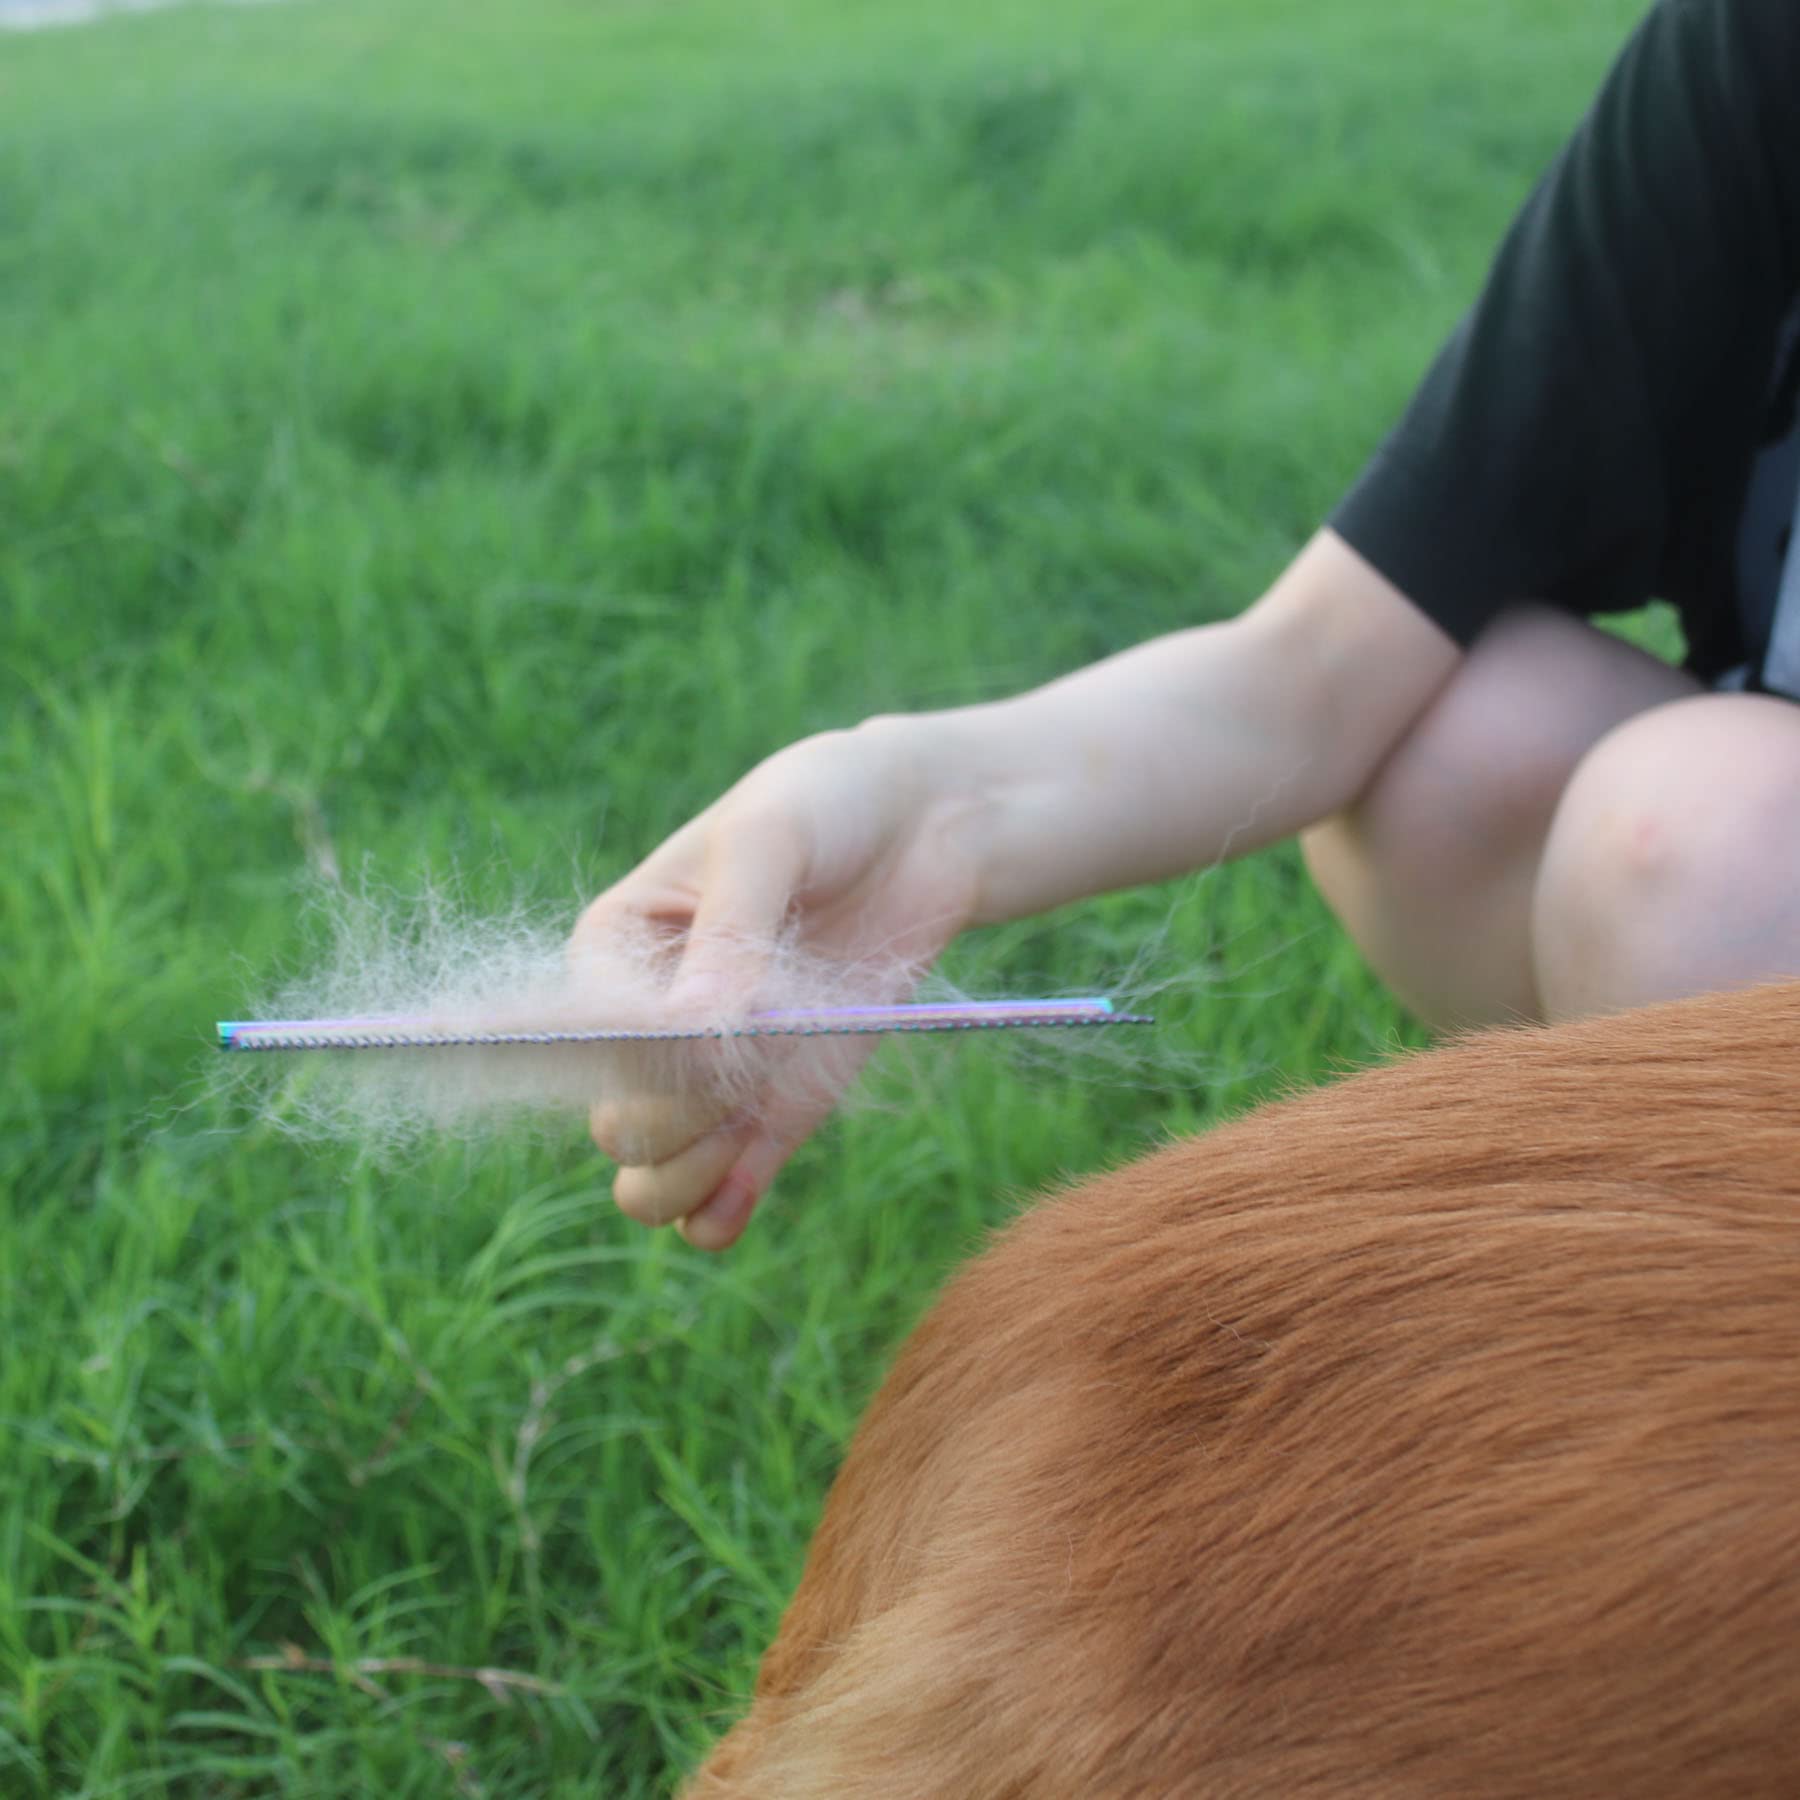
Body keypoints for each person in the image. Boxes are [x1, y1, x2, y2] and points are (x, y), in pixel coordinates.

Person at [574, 0, 1800, 1251]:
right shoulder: (1758, 52)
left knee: (1702, 838)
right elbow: (1323, 669)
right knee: (1458, 739)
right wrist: (919, 800)